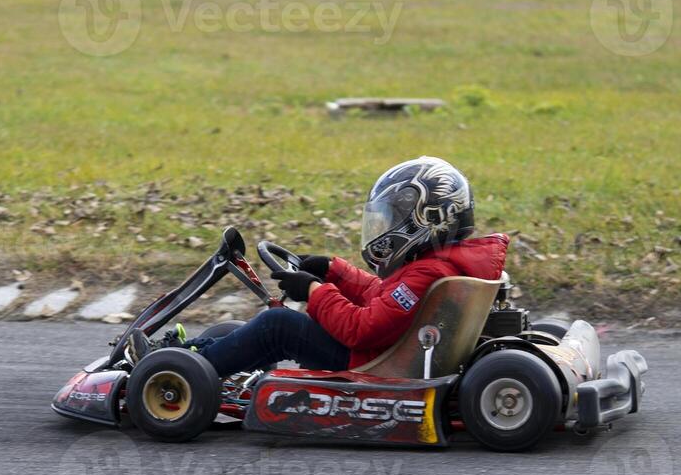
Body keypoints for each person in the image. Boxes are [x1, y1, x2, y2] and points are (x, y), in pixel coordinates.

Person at [128, 157, 508, 377]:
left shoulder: (429, 271)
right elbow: (383, 298)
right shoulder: (442, 263)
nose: (388, 228)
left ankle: (180, 368)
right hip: (387, 351)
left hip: (370, 363)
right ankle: (195, 354)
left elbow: (362, 329)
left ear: (429, 216)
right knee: (259, 330)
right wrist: (333, 271)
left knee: (277, 325)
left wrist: (313, 291)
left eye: (396, 217)